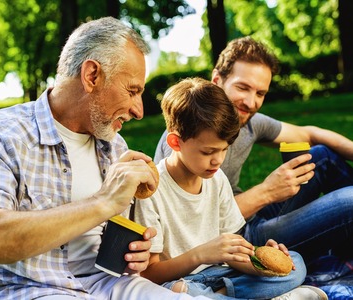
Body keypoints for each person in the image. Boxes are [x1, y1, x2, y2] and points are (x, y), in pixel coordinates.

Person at [0, 17, 212, 300]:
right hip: (30, 289)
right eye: (132, 90)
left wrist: (132, 255)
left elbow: (110, 252)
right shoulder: (3, 133)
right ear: (92, 76)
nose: (138, 110)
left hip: (108, 286)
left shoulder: (114, 145)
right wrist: (103, 202)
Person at [154, 36, 353, 264]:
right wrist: (268, 191)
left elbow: (309, 134)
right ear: (217, 79)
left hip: (253, 216)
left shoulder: (249, 121)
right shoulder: (184, 142)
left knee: (322, 157)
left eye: (260, 94)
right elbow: (192, 226)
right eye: (243, 88)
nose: (251, 102)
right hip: (235, 238)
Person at [134, 77, 328, 300]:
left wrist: (259, 259)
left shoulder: (216, 179)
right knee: (175, 295)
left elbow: (232, 253)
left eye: (224, 150)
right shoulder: (150, 189)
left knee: (295, 264)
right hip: (180, 282)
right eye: (208, 152)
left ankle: (223, 295)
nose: (218, 160)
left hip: (220, 274)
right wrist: (201, 255)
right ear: (175, 143)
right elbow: (148, 275)